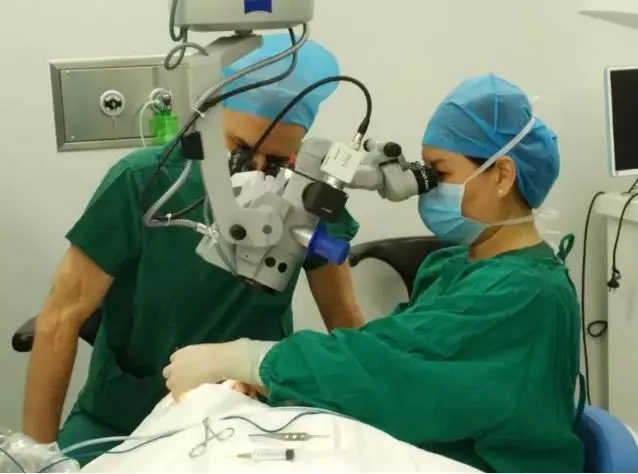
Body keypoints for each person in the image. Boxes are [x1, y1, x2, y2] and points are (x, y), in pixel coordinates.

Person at [163, 74, 585, 473]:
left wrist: (252, 360)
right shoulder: (456, 266)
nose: (427, 188)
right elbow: (388, 347)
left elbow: (389, 374)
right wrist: (275, 384)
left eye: (440, 173)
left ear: (502, 175)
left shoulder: (525, 295)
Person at [22, 34, 363, 464]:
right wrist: (35, 457)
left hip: (251, 418)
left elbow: (344, 317)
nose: (257, 175)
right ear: (208, 124)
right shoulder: (144, 184)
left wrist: (371, 421)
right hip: (124, 418)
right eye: (241, 153)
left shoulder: (309, 199)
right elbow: (59, 320)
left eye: (278, 163)